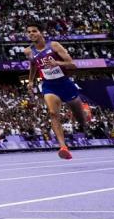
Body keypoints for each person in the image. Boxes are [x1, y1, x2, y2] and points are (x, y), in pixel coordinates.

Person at [25, 21, 89, 159]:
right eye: (29, 32)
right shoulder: (28, 51)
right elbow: (33, 65)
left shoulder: (54, 45)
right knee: (53, 113)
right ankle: (63, 147)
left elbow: (72, 65)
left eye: (34, 31)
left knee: (80, 118)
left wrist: (57, 63)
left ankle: (84, 120)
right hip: (49, 85)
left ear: (41, 32)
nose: (31, 34)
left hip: (65, 84)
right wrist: (30, 80)